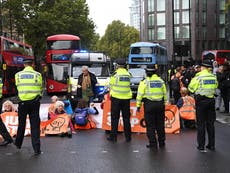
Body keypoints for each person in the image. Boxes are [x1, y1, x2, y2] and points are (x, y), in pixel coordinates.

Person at [14, 59, 43, 156]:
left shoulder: (17, 75)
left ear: (24, 65)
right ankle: (36, 149)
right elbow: (40, 87)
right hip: (34, 102)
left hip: (22, 102)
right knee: (35, 126)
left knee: (21, 124)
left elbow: (17, 86)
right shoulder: (38, 75)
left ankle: (18, 144)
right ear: (33, 64)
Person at [188, 59, 218, 151]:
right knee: (210, 124)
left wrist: (195, 91)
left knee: (201, 124)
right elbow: (216, 86)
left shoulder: (198, 77)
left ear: (203, 67)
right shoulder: (213, 77)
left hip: (201, 102)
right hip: (211, 101)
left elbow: (191, 88)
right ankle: (211, 145)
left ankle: (201, 146)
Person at [136, 64, 167, 149]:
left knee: (150, 125)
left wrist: (138, 106)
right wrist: (165, 103)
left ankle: (153, 143)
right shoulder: (161, 81)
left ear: (147, 72)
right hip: (160, 105)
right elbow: (165, 93)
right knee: (160, 125)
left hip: (149, 105)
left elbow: (140, 95)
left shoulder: (144, 82)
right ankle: (162, 142)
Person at [107, 58, 132, 142]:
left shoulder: (115, 74)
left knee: (115, 118)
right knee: (126, 118)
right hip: (126, 99)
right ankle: (128, 137)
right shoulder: (128, 74)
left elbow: (110, 85)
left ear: (117, 65)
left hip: (116, 98)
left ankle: (113, 137)